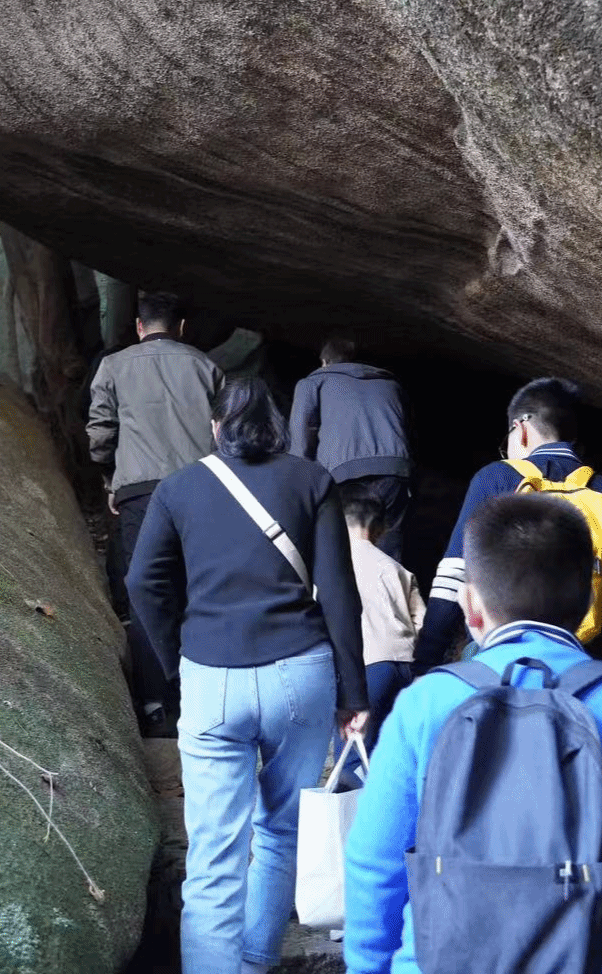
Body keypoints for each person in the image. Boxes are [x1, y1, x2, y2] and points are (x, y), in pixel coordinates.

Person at [343, 494, 602, 974]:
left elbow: (374, 863)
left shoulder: (424, 704)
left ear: (470, 605)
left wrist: (368, 967)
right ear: (590, 601)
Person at [126, 377, 369, 974]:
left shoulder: (179, 487)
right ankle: (256, 962)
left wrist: (177, 659)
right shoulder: (312, 480)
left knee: (214, 854)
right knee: (282, 831)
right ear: (277, 427)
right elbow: (340, 592)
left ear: (216, 427)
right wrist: (354, 693)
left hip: (212, 676)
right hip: (301, 674)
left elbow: (142, 582)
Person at [415, 377, 602, 669]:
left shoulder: (497, 477)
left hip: (499, 657)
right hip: (581, 656)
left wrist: (426, 659)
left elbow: (454, 573)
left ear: (522, 429)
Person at [87, 291, 225, 734]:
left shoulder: (113, 366)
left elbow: (100, 433)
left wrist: (112, 477)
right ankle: (203, 695)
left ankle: (156, 704)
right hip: (200, 488)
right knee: (200, 587)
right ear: (181, 327)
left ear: (139, 327)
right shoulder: (206, 367)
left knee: (146, 590)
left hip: (140, 493)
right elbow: (224, 433)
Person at [289, 337, 412, 559]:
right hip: (394, 471)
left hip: (343, 473)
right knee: (388, 546)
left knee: (342, 545)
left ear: (324, 362)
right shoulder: (390, 384)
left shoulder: (313, 383)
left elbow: (300, 435)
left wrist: (300, 484)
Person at [335, 493, 424, 789]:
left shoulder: (335, 566)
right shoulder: (395, 567)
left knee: (351, 754)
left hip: (367, 667)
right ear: (380, 529)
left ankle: (355, 812)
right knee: (392, 752)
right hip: (405, 665)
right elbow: (421, 621)